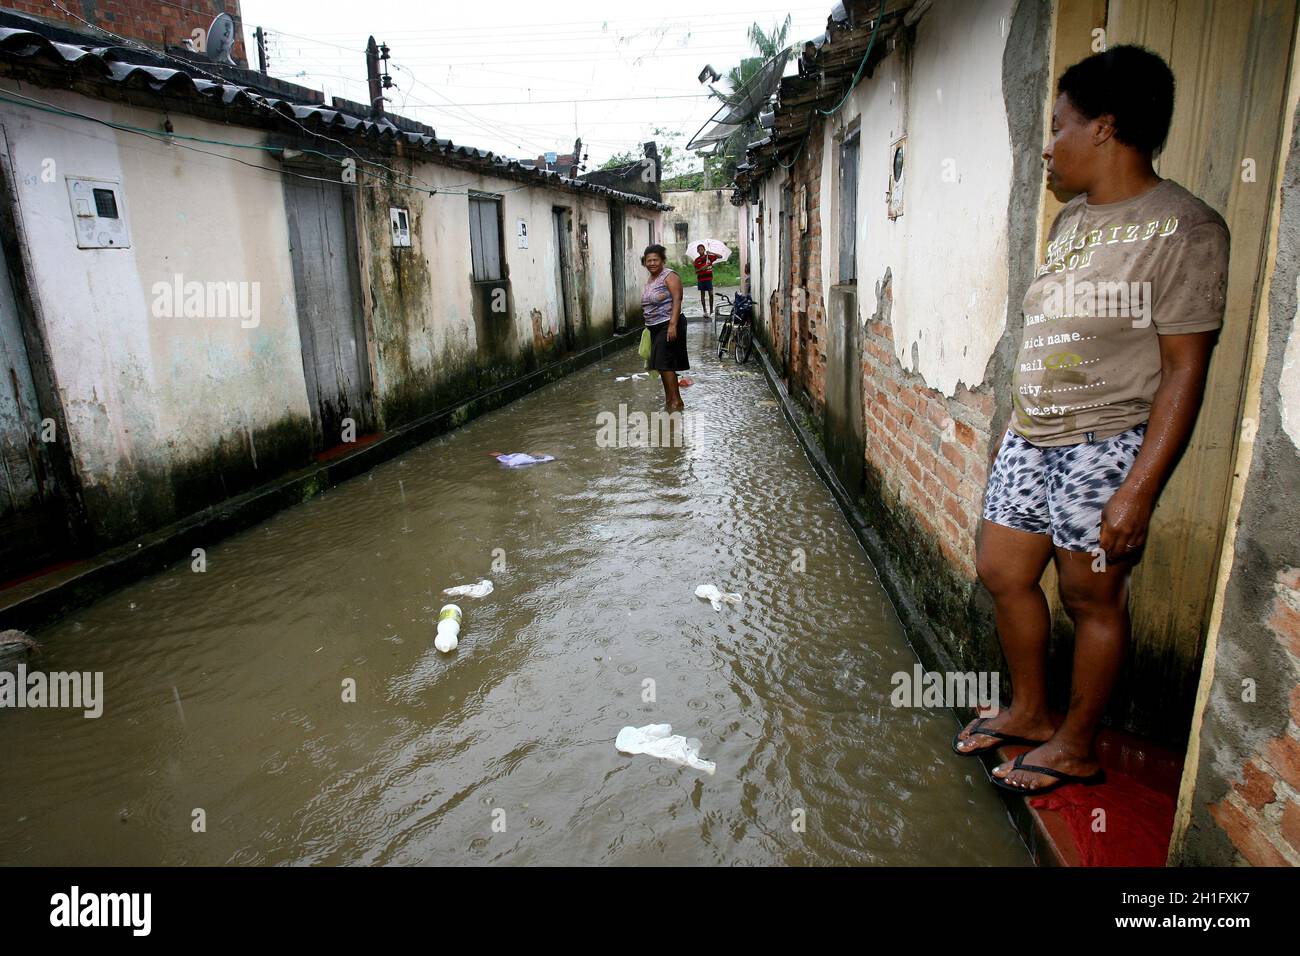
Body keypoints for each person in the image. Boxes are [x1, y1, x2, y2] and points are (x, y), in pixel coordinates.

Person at [953, 45, 1230, 795]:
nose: (1047, 147)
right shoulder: (1069, 221)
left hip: (1106, 443)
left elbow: (1184, 369)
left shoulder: (1184, 229)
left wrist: (1138, 489)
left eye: (1058, 127)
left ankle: (1076, 744)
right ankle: (1032, 713)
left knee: (1089, 595)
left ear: (1104, 128)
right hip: (1032, 435)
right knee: (1002, 571)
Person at [641, 244, 687, 412]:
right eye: (648, 260)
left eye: (655, 260)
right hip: (654, 327)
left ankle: (676, 402)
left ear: (662, 261)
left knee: (665, 364)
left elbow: (677, 299)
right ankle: (670, 401)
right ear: (644, 262)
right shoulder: (651, 279)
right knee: (661, 366)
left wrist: (673, 325)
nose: (652, 263)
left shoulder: (669, 276)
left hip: (668, 325)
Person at [693, 243, 721, 317]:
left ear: (704, 250)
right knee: (703, 295)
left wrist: (711, 252)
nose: (700, 251)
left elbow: (720, 256)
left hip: (708, 279)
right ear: (697, 251)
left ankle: (711, 310)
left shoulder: (709, 257)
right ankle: (705, 311)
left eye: (702, 249)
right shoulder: (697, 260)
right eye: (699, 250)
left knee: (711, 294)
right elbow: (696, 271)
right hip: (701, 279)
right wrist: (704, 267)